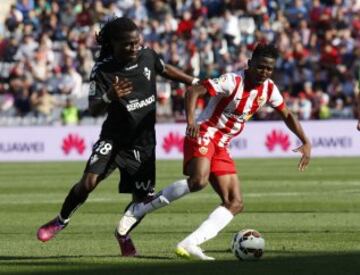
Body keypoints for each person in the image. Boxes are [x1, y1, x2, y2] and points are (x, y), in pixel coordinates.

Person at [117, 43, 312, 260]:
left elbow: (287, 115)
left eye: (269, 69)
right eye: (260, 67)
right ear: (249, 64)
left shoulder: (269, 89)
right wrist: (191, 121)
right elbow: (193, 90)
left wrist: (305, 141)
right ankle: (140, 208)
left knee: (235, 202)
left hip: (223, 144)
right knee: (198, 180)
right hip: (204, 133)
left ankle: (190, 243)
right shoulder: (232, 81)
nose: (264, 72)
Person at [36, 17, 199, 256]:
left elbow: (165, 69)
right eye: (127, 44)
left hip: (143, 143)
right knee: (88, 183)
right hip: (113, 138)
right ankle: (61, 219)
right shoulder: (103, 70)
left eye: (136, 42)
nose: (134, 48)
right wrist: (109, 96)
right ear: (112, 44)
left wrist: (194, 81)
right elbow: (93, 109)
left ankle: (123, 234)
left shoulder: (146, 55)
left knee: (142, 201)